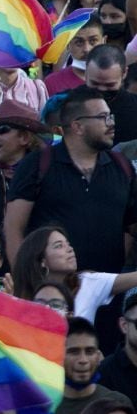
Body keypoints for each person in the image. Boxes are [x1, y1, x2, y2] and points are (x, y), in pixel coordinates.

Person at [7, 87, 137, 274]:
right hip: (51, 289)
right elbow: (13, 227)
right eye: (103, 117)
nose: (111, 124)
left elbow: (132, 225)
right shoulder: (37, 165)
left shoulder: (122, 167)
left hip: (108, 293)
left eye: (111, 117)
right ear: (77, 126)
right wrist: (25, 280)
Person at [53, 317, 133, 414]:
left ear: (98, 355)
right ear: (59, 355)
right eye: (74, 352)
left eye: (89, 351)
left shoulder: (118, 403)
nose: (83, 360)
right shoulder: (43, 409)